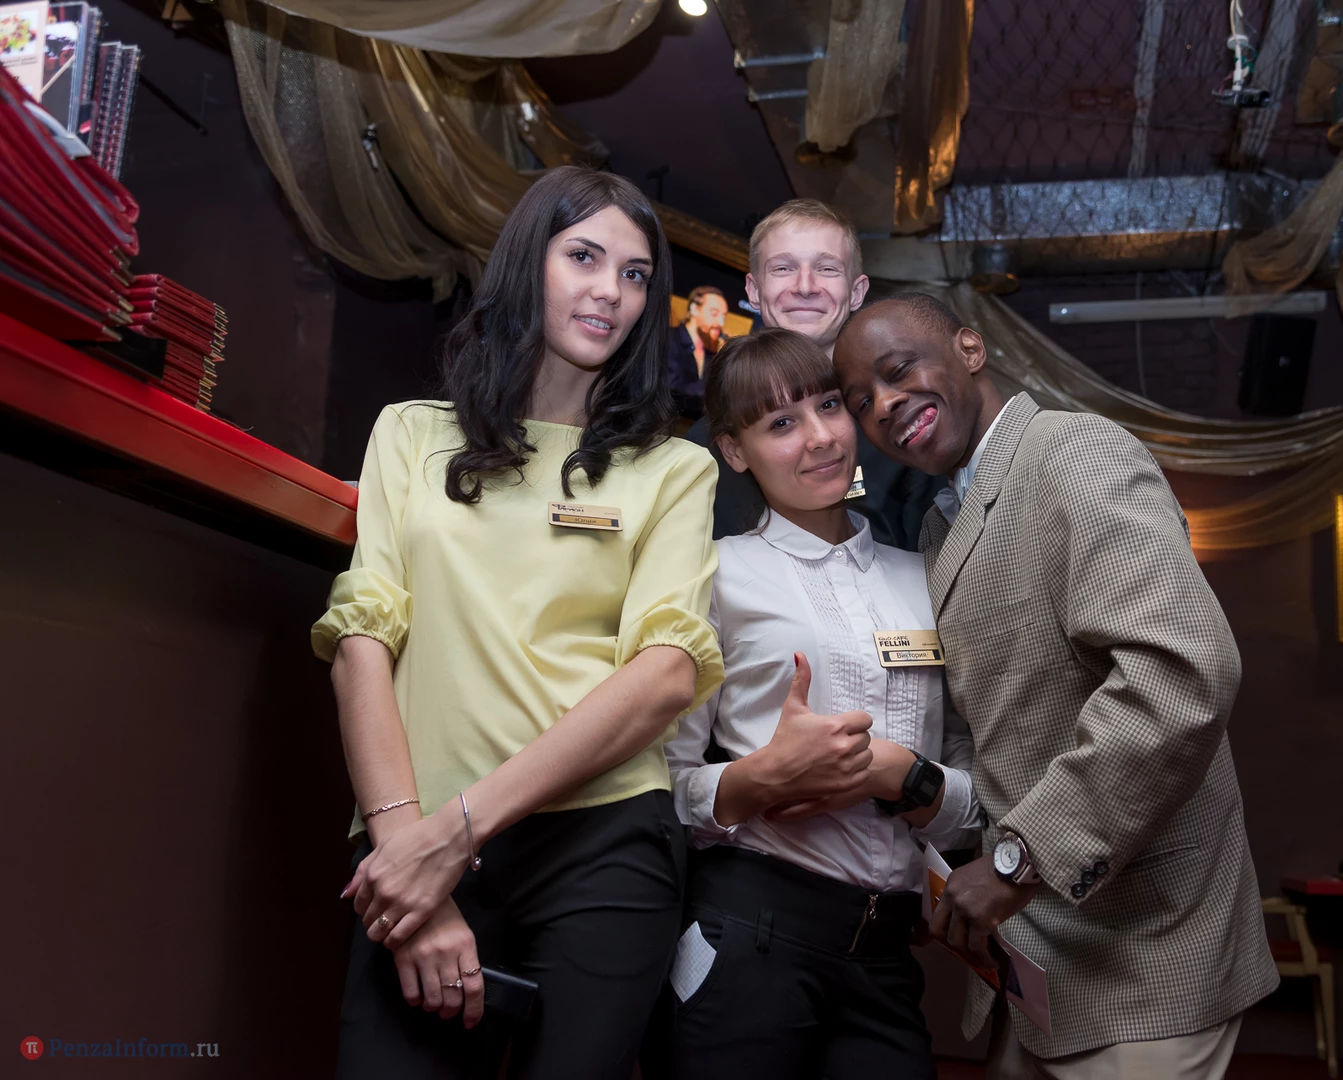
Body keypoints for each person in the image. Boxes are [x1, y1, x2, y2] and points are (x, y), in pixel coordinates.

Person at [310, 166, 724, 1080]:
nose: (609, 291)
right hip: (411, 830)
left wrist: (455, 834)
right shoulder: (411, 434)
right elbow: (361, 642)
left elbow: (664, 673)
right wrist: (411, 854)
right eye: (584, 257)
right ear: (526, 261)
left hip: (601, 849)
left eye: (634, 275)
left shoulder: (673, 471)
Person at [833, 293, 1277, 1080]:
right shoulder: (942, 520)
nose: (885, 406)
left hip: (1142, 945)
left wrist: (1017, 861)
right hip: (1036, 955)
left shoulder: (1073, 452)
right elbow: (1002, 717)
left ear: (970, 349)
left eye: (898, 371)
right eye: (863, 402)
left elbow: (1179, 674)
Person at [658, 328, 980, 1079]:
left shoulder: (924, 576)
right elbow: (658, 787)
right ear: (734, 451)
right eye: (781, 422)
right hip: (750, 934)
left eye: (829, 406)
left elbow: (976, 790)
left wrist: (905, 778)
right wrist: (761, 779)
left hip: (887, 955)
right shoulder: (713, 574)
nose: (821, 438)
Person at [684, 199, 943, 549]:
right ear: (754, 291)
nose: (805, 286)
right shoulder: (705, 444)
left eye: (827, 269)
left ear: (856, 292)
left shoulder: (903, 421)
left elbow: (935, 567)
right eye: (783, 268)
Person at [668, 284, 729, 419]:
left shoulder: (712, 354)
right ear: (694, 309)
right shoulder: (668, 339)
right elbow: (670, 391)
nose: (720, 322)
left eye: (724, 317)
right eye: (714, 314)